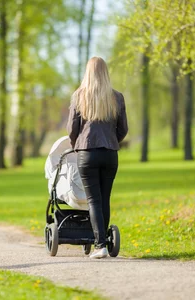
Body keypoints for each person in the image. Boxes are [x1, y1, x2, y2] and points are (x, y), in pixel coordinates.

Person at [66, 57, 128, 259]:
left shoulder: (79, 96)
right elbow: (123, 129)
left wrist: (77, 145)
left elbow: (71, 129)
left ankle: (100, 244)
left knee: (93, 200)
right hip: (110, 153)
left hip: (87, 153)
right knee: (105, 199)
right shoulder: (116, 97)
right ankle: (104, 243)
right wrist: (111, 141)